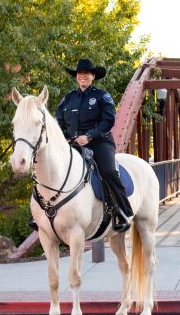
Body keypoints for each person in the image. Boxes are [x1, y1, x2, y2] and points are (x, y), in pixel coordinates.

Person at [55, 58, 133, 233]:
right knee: (51, 167)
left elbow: (108, 121)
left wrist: (89, 136)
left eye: (86, 74)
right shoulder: (68, 98)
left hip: (99, 142)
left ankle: (122, 211)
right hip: (72, 144)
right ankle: (42, 214)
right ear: (76, 76)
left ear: (93, 76)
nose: (83, 76)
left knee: (107, 170)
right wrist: (65, 138)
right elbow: (58, 120)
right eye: (80, 73)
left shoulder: (101, 96)